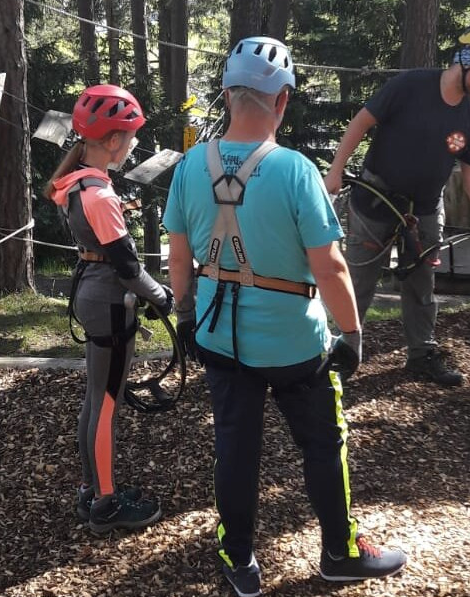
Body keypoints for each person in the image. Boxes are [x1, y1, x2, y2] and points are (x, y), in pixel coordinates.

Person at [163, 36, 406, 597]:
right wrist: (352, 333)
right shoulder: (296, 171)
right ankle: (340, 552)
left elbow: (178, 255)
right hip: (295, 344)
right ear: (283, 101)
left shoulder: (188, 168)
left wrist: (183, 313)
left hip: (219, 336)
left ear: (227, 94)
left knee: (235, 445)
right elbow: (332, 268)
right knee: (323, 442)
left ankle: (239, 559)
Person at [324, 22, 470, 387]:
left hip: (424, 209)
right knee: (360, 279)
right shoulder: (410, 86)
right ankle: (345, 352)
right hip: (376, 200)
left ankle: (421, 355)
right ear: (467, 59)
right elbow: (361, 122)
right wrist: (335, 172)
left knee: (421, 282)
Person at [44, 84, 172, 535]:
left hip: (93, 295)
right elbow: (129, 267)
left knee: (96, 399)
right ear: (114, 140)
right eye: (132, 135)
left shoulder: (82, 184)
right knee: (107, 405)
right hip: (110, 301)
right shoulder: (99, 196)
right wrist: (163, 297)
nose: (135, 143)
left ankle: (94, 487)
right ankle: (105, 503)